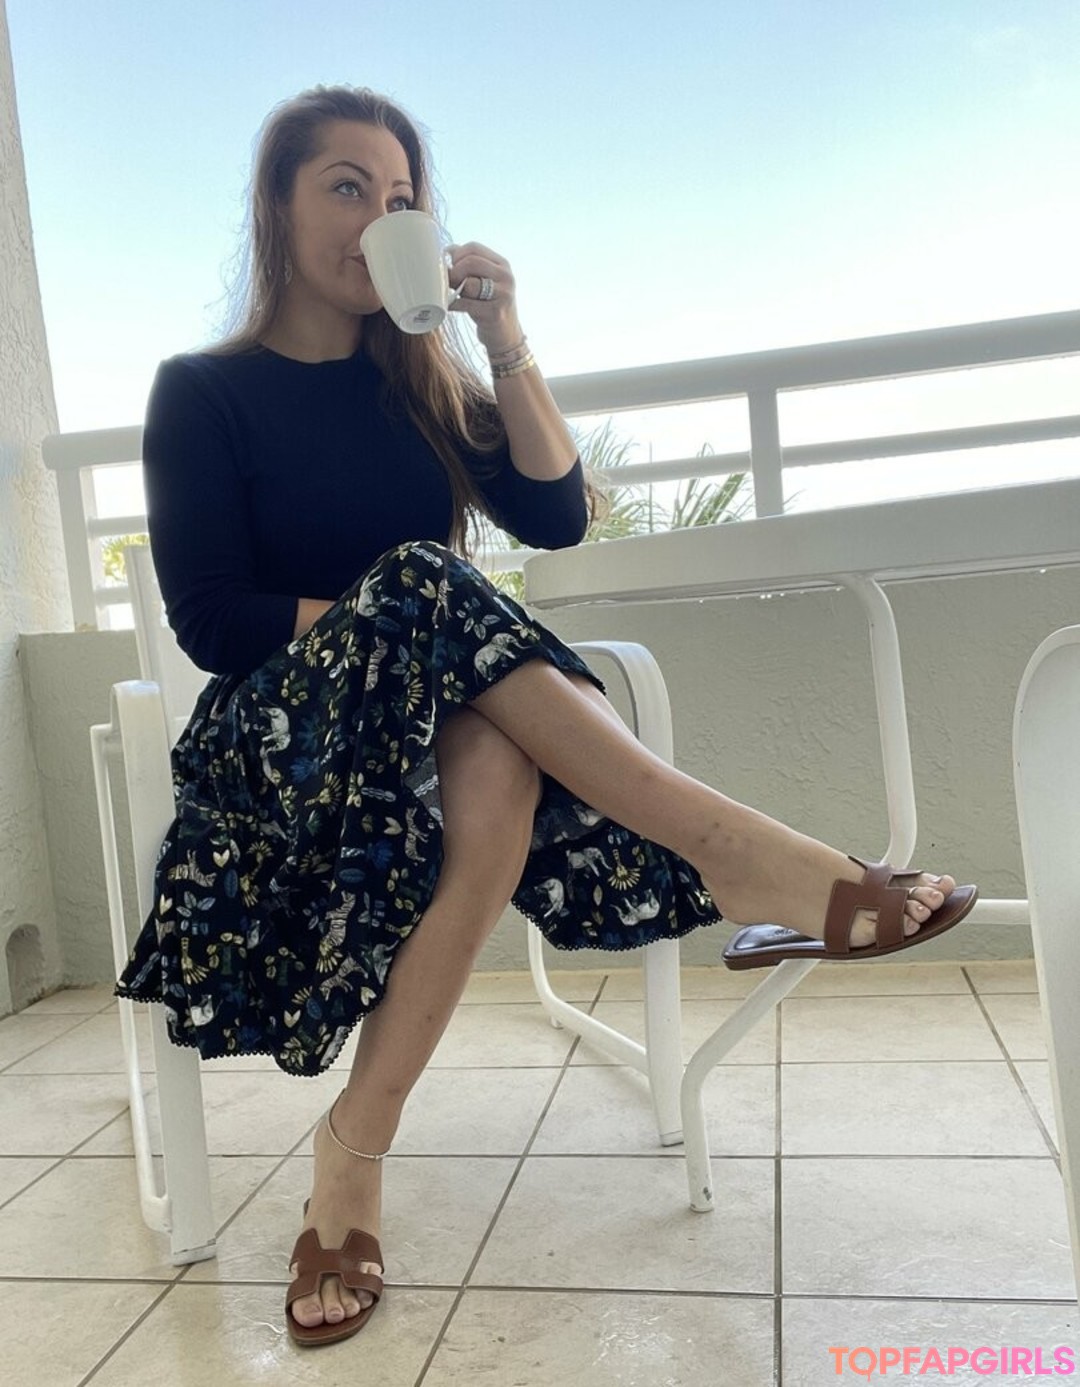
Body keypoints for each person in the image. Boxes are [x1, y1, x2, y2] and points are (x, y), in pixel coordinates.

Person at [114, 84, 977, 1348]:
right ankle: (745, 855)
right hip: (284, 738)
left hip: (440, 723)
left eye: (400, 197)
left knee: (498, 767)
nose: (377, 216)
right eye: (346, 188)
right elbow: (210, 619)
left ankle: (352, 1158)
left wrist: (503, 332)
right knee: (425, 583)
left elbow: (557, 515)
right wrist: (391, 624)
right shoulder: (202, 390)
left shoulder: (418, 386)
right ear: (278, 206)